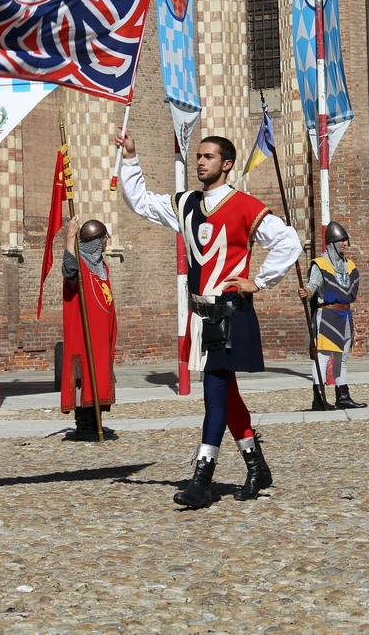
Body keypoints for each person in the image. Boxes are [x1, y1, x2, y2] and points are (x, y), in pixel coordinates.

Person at [115, 129, 300, 507]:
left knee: (214, 395)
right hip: (200, 314)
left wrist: (259, 281)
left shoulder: (247, 206)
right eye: (198, 156)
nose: (200, 162)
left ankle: (202, 479)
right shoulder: (185, 204)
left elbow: (289, 242)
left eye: (208, 157)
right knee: (227, 394)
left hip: (230, 314)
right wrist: (131, 158)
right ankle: (256, 465)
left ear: (226, 164)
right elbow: (140, 203)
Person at [60, 216, 118, 441]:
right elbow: (68, 271)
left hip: (101, 336)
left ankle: (96, 423)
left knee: (100, 376)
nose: (105, 243)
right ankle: (84, 426)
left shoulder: (101, 267)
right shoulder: (79, 267)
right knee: (84, 376)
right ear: (95, 241)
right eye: (103, 239)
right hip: (84, 336)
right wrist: (69, 237)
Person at [298, 221, 366, 410]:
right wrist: (308, 293)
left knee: (342, 357)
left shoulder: (349, 265)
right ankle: (318, 399)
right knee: (324, 356)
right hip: (327, 314)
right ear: (332, 242)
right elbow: (313, 284)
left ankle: (342, 396)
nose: (345, 244)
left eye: (345, 240)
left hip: (345, 314)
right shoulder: (320, 264)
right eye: (341, 240)